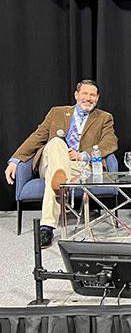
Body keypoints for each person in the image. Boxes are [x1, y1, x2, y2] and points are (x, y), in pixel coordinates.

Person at [4, 80, 118, 248]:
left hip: (79, 166)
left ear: (97, 98)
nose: (88, 98)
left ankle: (47, 226)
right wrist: (16, 160)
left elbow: (110, 142)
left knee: (56, 173)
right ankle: (60, 178)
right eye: (85, 93)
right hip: (50, 160)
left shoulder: (104, 118)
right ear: (76, 95)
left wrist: (82, 155)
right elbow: (37, 137)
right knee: (56, 143)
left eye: (92, 95)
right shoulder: (57, 112)